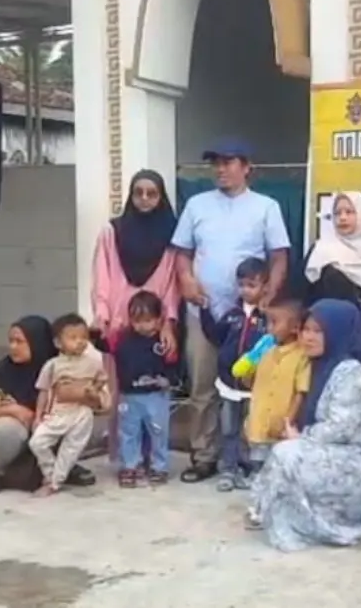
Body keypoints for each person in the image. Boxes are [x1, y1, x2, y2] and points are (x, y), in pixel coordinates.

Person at [173, 138, 291, 484]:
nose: (220, 169)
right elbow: (181, 253)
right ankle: (204, 456)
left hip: (250, 318)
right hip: (204, 311)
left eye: (228, 162)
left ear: (246, 167)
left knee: (251, 387)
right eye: (216, 163)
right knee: (203, 387)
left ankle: (246, 456)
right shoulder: (196, 205)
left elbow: (279, 256)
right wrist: (186, 280)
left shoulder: (266, 207)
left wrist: (269, 295)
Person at [248, 299, 361, 552]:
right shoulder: (315, 365)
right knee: (284, 452)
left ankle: (306, 519)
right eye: (306, 329)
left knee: (287, 453)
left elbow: (340, 428)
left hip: (356, 460)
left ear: (337, 333)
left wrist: (300, 437)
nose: (308, 337)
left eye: (318, 331)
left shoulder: (353, 374)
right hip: (329, 450)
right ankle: (275, 511)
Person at [0, 317, 94, 497]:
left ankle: (63, 467)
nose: (13, 347)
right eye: (11, 341)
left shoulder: (61, 365)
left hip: (53, 426)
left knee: (80, 417)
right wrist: (10, 410)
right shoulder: (3, 371)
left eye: (19, 342)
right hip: (20, 434)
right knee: (4, 429)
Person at [91, 169, 180, 351]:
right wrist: (102, 315)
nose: (144, 198)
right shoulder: (112, 231)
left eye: (152, 194)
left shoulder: (173, 234)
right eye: (138, 193)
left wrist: (168, 322)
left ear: (161, 197)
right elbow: (101, 277)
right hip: (117, 321)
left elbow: (173, 284)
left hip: (156, 323)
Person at [201, 257, 269, 491]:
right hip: (230, 385)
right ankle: (229, 470)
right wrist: (204, 310)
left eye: (252, 285)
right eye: (242, 285)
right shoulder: (232, 314)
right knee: (229, 429)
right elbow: (215, 335)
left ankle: (252, 470)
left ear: (265, 286)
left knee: (253, 430)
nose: (246, 290)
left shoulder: (269, 317)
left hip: (256, 386)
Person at [29, 313, 111, 497]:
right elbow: (43, 391)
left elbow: (102, 381)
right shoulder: (52, 365)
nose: (80, 342)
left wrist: (95, 391)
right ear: (58, 343)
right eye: (73, 338)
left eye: (83, 337)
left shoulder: (94, 363)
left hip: (82, 413)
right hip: (58, 413)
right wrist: (38, 416)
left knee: (71, 449)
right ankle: (50, 472)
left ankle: (54, 482)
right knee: (37, 442)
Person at [304, 191, 361, 351]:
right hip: (325, 335)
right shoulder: (321, 250)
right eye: (337, 213)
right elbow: (305, 292)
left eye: (349, 212)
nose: (342, 218)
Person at [111, 291, 177, 488]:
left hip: (156, 395)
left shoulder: (164, 341)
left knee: (158, 432)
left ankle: (159, 467)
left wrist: (169, 380)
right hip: (129, 395)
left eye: (148, 320)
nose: (142, 326)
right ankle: (130, 465)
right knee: (128, 432)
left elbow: (174, 363)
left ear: (158, 319)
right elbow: (106, 345)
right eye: (137, 321)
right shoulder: (123, 339)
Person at [244, 296, 311, 474]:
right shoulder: (266, 353)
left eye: (274, 323)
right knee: (257, 471)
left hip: (280, 429)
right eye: (268, 322)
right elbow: (252, 384)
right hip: (259, 425)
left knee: (278, 472)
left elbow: (300, 393)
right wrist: (247, 368)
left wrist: (289, 421)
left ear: (295, 327)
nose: (269, 328)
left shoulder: (301, 357)